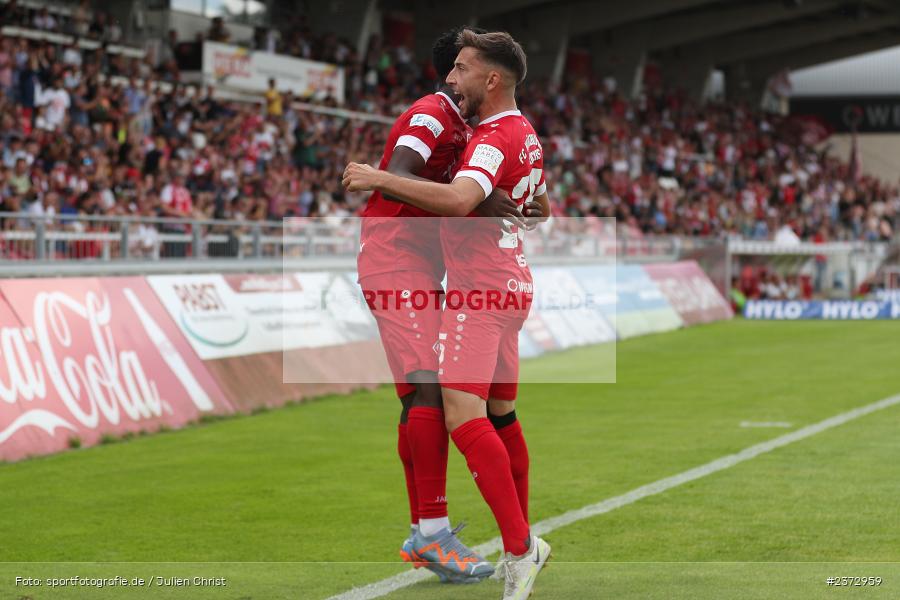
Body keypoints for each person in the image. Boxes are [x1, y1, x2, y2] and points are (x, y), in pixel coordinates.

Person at [344, 29, 551, 600]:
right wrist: (481, 198)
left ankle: (490, 541)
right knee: (438, 396)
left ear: (485, 78)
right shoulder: (438, 114)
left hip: (462, 278)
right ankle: (435, 530)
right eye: (450, 70)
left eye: (459, 71)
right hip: (401, 260)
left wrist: (482, 198)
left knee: (442, 400)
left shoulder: (483, 130)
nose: (449, 81)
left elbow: (485, 197)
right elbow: (413, 176)